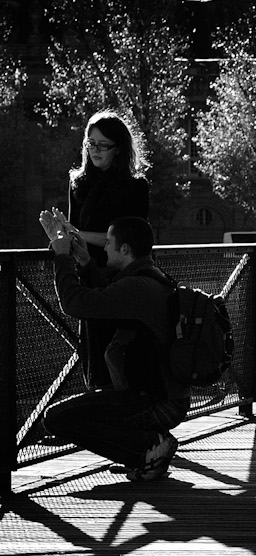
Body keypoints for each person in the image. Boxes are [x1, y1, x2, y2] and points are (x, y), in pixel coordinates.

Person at [37, 212, 187, 480]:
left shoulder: (136, 287)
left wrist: (62, 256)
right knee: (85, 406)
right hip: (167, 397)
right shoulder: (150, 276)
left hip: (155, 404)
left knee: (56, 418)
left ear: (125, 249)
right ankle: (146, 450)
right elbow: (110, 297)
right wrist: (85, 262)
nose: (104, 247)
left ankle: (147, 448)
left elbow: (75, 304)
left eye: (109, 242)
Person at [65, 111, 151, 391]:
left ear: (119, 148)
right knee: (92, 358)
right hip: (87, 276)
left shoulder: (135, 187)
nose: (95, 150)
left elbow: (127, 241)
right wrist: (61, 234)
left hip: (122, 282)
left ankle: (128, 422)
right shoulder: (78, 182)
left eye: (103, 145)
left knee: (120, 358)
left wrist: (77, 234)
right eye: (90, 143)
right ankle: (100, 420)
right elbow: (72, 229)